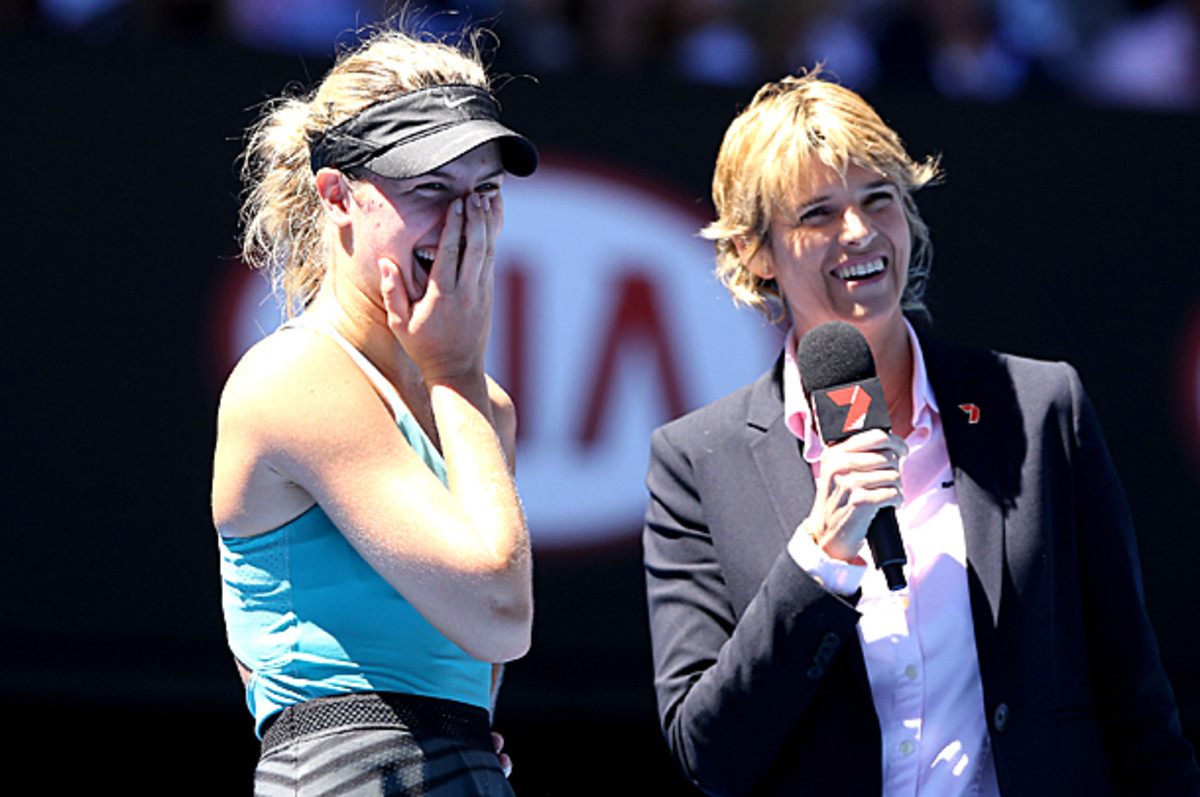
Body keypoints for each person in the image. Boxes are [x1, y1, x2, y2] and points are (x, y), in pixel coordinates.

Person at [642, 71, 1200, 796]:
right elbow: (709, 754)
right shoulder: (696, 461)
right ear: (756, 252)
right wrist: (821, 558)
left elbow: (1136, 699)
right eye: (818, 213)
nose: (859, 232)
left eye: (880, 198)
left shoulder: (1039, 407)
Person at [211, 22, 537, 796]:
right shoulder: (292, 375)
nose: (465, 224)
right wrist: (456, 370)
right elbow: (501, 612)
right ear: (338, 196)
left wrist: (453, 741)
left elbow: (478, 664)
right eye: (431, 189)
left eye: (485, 192)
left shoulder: (486, 409)